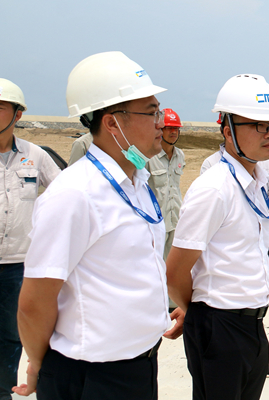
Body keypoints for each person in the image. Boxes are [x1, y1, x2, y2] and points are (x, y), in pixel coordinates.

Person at [14, 51, 181, 399]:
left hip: (140, 365)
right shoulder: (75, 194)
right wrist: (39, 363)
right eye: (151, 112)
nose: (161, 122)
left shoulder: (137, 181)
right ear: (112, 123)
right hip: (91, 376)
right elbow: (34, 302)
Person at [166, 74, 269, 400]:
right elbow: (175, 271)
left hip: (254, 324)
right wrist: (196, 311)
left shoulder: (258, 180)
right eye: (259, 126)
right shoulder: (214, 188)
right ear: (228, 129)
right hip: (219, 328)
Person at [200, 115, 269, 379]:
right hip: (221, 309)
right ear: (227, 131)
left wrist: (264, 222)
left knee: (257, 294)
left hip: (258, 242)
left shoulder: (265, 165)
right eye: (260, 127)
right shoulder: (212, 168)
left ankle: (257, 355)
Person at [0, 78, 61, 400]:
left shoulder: (35, 155)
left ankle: (3, 391)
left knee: (11, 335)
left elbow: (65, 193)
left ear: (18, 114)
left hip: (17, 264)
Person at [147, 108, 186, 262]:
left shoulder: (180, 155)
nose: (173, 132)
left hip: (175, 220)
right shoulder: (149, 156)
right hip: (155, 223)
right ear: (160, 129)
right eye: (169, 128)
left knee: (171, 266)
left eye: (176, 128)